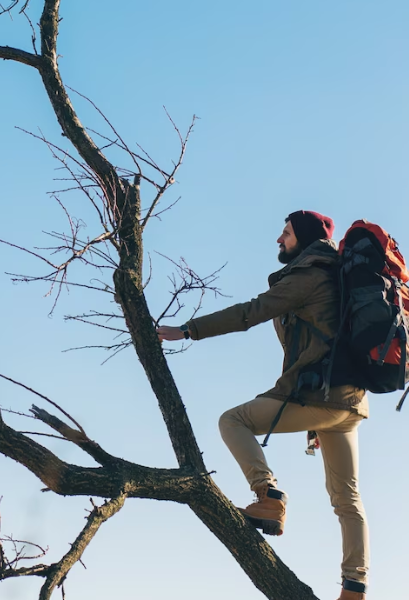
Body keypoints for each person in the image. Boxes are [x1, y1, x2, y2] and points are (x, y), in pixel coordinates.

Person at [157, 211, 369, 600]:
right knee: (347, 500)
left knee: (232, 420)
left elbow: (248, 313)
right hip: (348, 402)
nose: (278, 239)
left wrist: (189, 330)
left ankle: (268, 497)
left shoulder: (309, 275)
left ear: (302, 238)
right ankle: (355, 588)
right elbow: (324, 344)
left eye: (285, 233)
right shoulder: (336, 276)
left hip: (321, 397)